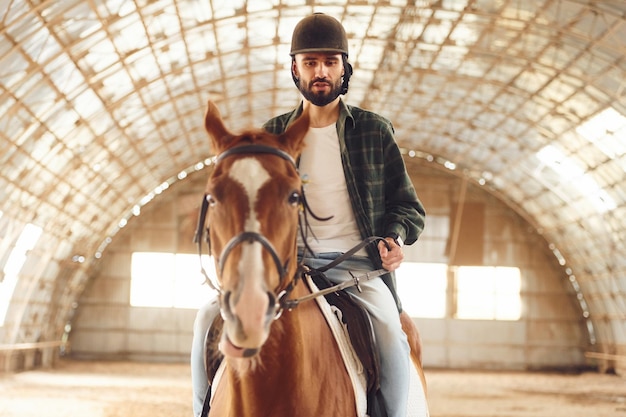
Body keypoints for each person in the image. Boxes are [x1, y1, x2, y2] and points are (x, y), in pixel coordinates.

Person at [191, 13, 425, 417]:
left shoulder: (373, 131)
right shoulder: (273, 135)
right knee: (206, 320)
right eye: (311, 62)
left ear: (343, 68)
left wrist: (394, 237)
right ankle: (202, 411)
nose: (321, 71)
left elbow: (407, 206)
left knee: (390, 332)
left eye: (331, 62)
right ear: (295, 68)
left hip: (355, 268)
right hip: (284, 268)